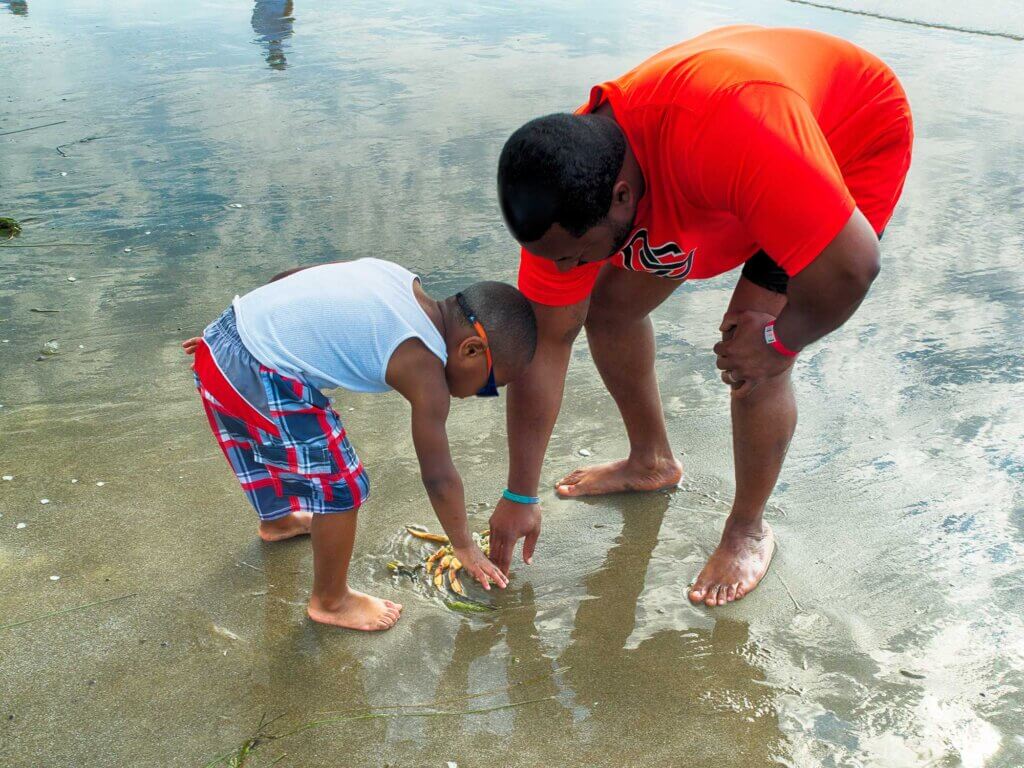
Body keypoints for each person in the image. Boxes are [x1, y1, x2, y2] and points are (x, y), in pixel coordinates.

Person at [489, 25, 913, 607]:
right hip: (734, 165)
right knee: (608, 307)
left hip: (846, 138)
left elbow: (852, 267)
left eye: (572, 255)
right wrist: (519, 493)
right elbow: (548, 341)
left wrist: (780, 343)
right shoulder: (567, 191)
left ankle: (747, 530)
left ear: (619, 196)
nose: (565, 267)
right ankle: (651, 461)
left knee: (751, 348)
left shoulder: (732, 130)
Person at [182, 258, 537, 630]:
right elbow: (437, 474)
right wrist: (464, 545)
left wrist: (233, 335)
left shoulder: (398, 278)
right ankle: (331, 601)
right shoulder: (423, 364)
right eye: (488, 384)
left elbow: (292, 280)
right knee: (342, 486)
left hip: (224, 339)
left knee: (259, 441)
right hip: (263, 371)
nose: (481, 394)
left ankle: (279, 521)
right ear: (471, 350)